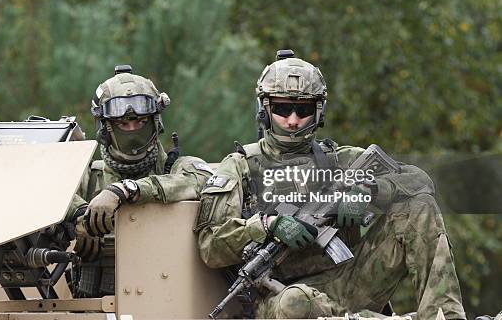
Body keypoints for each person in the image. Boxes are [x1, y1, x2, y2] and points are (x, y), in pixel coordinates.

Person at [194, 50, 466, 319]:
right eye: (281, 108)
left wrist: (366, 191)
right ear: (264, 110)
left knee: (417, 207)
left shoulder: (339, 160)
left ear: (319, 110)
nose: (292, 120)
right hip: (282, 297)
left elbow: (419, 181)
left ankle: (444, 315)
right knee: (295, 302)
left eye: (303, 109)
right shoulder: (240, 166)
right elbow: (210, 247)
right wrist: (266, 225)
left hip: (351, 281)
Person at [68, 65, 212, 297]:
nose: (133, 130)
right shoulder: (89, 178)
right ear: (106, 128)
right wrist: (80, 216)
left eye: (141, 122)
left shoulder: (178, 168)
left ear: (155, 122)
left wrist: (129, 189)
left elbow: (204, 181)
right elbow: (44, 193)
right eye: (123, 124)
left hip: (167, 301)